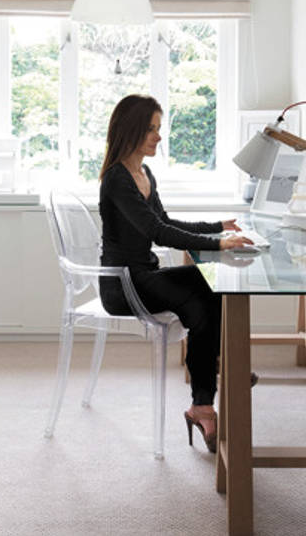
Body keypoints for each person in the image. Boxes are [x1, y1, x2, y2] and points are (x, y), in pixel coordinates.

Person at [97, 94, 252, 453]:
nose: (158, 137)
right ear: (131, 130)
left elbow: (164, 222)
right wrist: (219, 244)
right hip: (123, 284)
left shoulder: (144, 173)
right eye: (151, 129)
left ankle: (205, 398)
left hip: (143, 275)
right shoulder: (118, 179)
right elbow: (158, 233)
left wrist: (217, 227)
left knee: (208, 288)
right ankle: (215, 377)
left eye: (157, 129)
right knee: (200, 292)